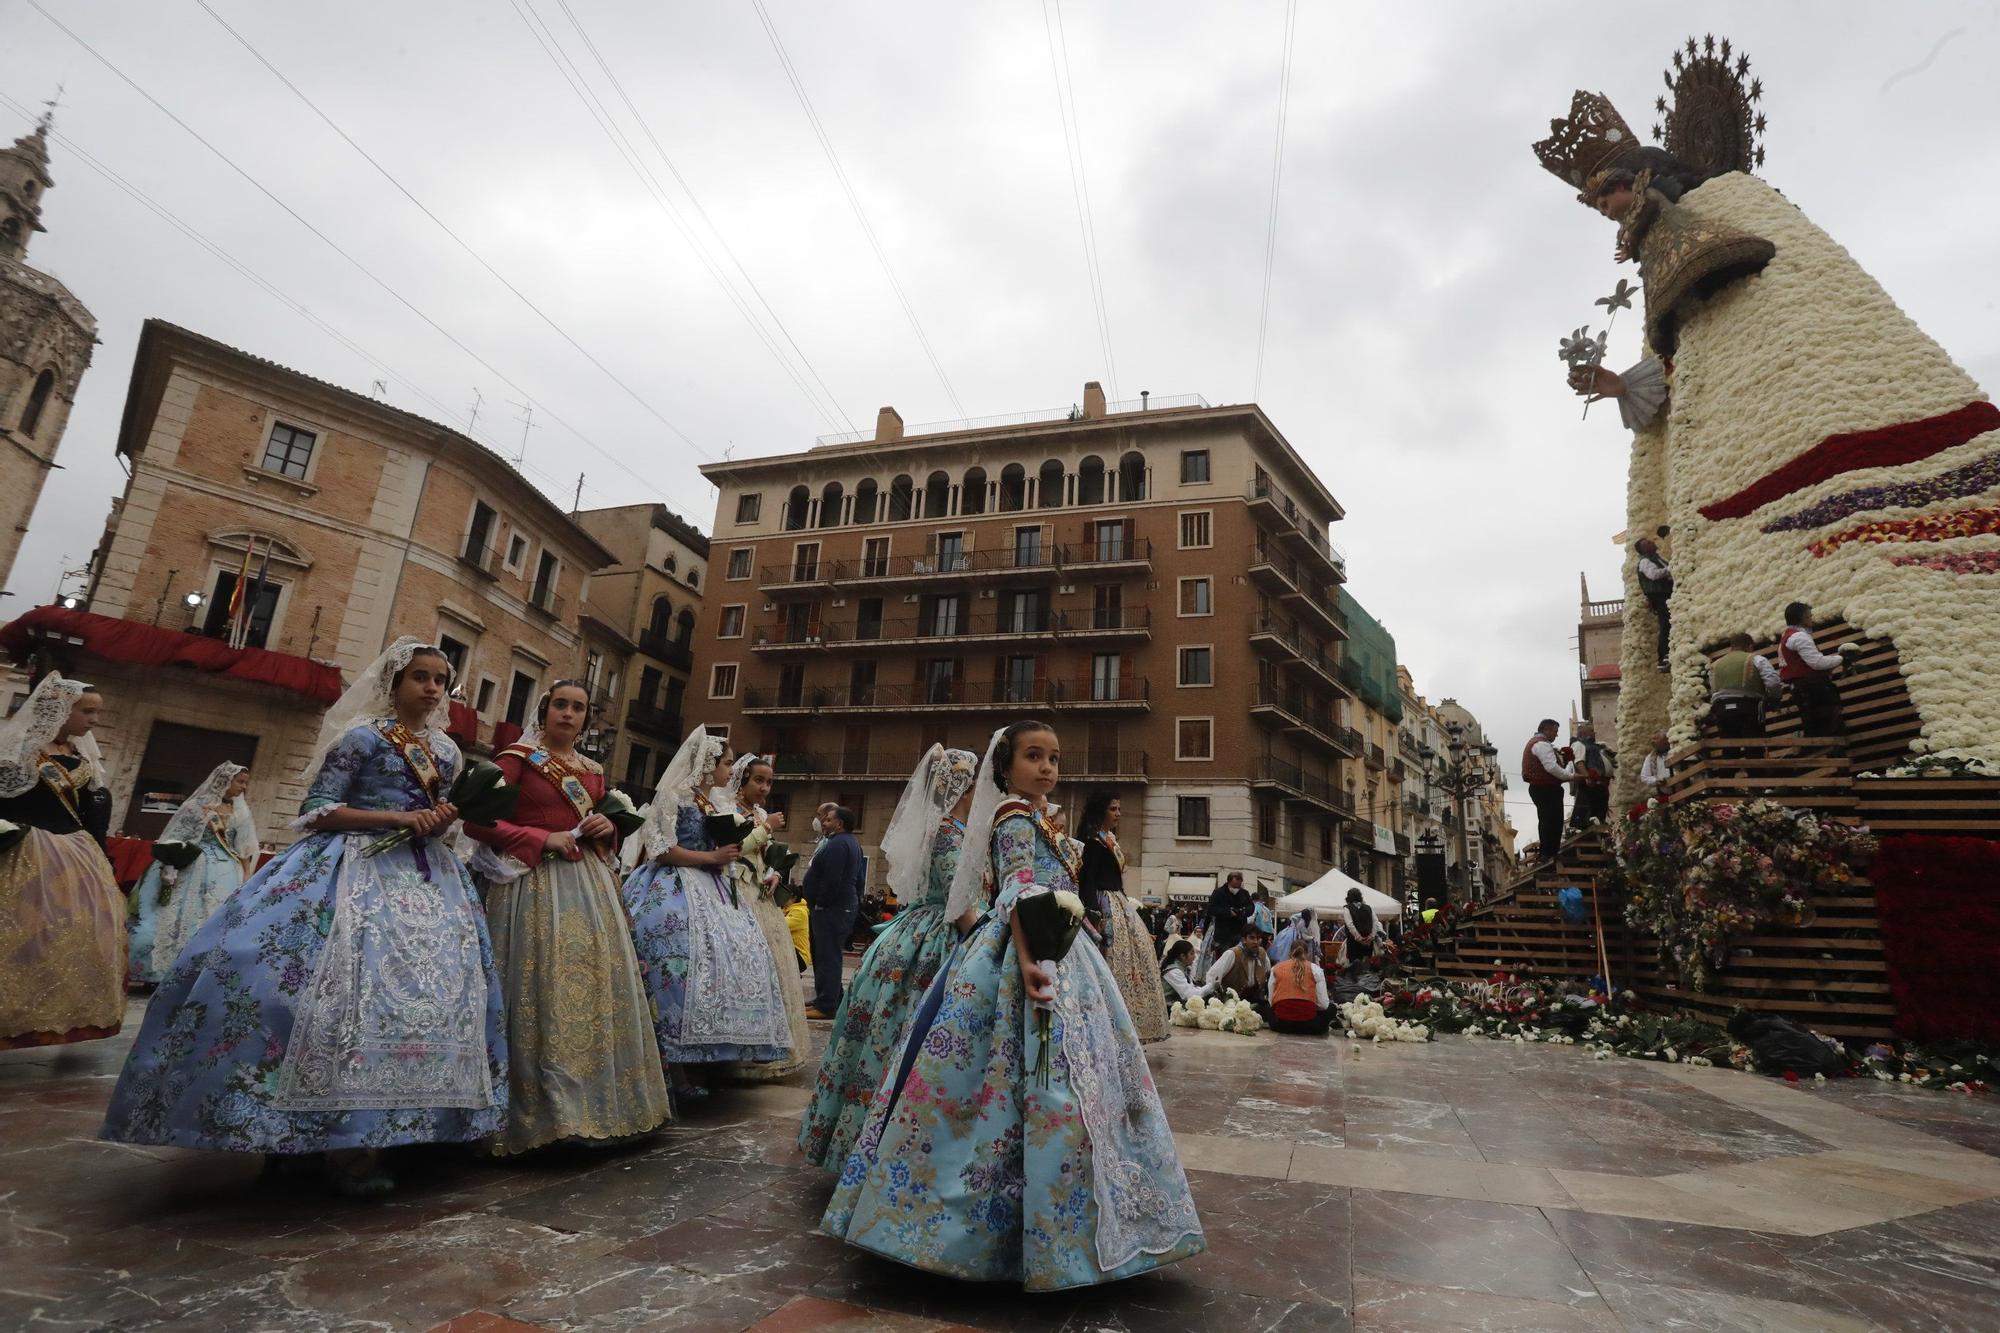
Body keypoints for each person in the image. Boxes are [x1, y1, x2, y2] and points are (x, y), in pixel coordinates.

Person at [100, 640, 506, 1196]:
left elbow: (446, 819)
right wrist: (396, 815)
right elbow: (317, 809)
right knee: (307, 992)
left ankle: (384, 1132)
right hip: (350, 868)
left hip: (427, 882)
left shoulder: (449, 751)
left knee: (425, 1000)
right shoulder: (361, 738)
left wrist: (438, 823)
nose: (432, 688)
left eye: (441, 679)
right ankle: (295, 1135)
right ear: (394, 682)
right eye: (420, 677)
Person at [822, 720, 1204, 1288]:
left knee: (1064, 1079)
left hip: (1063, 952)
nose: (1048, 767)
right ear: (1005, 768)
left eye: (1054, 757)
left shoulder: (1042, 820)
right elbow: (1019, 889)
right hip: (1021, 951)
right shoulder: (1012, 816)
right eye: (1033, 756)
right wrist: (1030, 961)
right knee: (1016, 1077)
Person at [461, 682, 670, 1155]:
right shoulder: (517, 758)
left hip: (589, 886)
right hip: (528, 886)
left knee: (589, 986)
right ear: (545, 710)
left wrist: (607, 827)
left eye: (578, 708)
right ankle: (538, 1115)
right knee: (537, 984)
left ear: (586, 718)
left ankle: (596, 1109)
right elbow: (476, 821)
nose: (569, 714)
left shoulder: (593, 771)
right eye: (561, 705)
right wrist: (540, 837)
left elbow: (596, 825)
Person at [799, 745, 978, 1171]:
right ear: (964, 788)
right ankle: (898, 1152)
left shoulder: (942, 829)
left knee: (884, 1034)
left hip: (911, 934)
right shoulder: (950, 833)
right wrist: (989, 940)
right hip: (941, 938)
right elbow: (959, 902)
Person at [622, 726, 791, 1105]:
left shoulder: (709, 801)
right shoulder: (675, 796)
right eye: (728, 763)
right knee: (675, 966)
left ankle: (706, 1059)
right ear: (709, 763)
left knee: (721, 966)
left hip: (712, 888)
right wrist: (711, 858)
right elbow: (661, 849)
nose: (731, 770)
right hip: (673, 886)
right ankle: (674, 1067)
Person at [0, 674, 123, 1049]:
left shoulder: (82, 760)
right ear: (61, 710)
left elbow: (92, 817)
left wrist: (103, 856)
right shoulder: (18, 753)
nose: (93, 720)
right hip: (23, 853)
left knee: (71, 937)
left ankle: (51, 1018)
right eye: (87, 711)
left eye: (95, 712)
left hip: (76, 859)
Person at [714, 753, 809, 1081]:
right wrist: (766, 828)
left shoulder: (759, 812)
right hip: (734, 889)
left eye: (769, 782)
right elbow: (733, 847)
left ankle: (772, 1050)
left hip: (760, 894)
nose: (765, 788)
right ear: (743, 779)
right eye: (759, 780)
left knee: (774, 965)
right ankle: (737, 1055)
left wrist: (775, 873)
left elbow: (766, 855)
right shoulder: (724, 806)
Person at [127, 763, 258, 987]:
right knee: (174, 917)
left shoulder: (240, 810)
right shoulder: (197, 806)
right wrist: (170, 865)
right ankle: (161, 970)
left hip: (227, 870)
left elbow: (244, 846)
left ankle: (201, 975)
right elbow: (177, 836)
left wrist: (246, 875)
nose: (243, 787)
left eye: (245, 783)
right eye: (240, 782)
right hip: (193, 866)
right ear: (224, 780)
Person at [1077, 793, 1169, 1043]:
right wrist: (1094, 913)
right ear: (1101, 812)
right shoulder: (1092, 843)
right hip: (1105, 903)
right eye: (1113, 809)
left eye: (1119, 808)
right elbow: (1088, 880)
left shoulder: (1109, 841)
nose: (1118, 813)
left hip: (1118, 901)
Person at [803, 806, 864, 1019]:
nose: (823, 822)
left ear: (839, 824)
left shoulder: (839, 843)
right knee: (826, 954)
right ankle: (830, 998)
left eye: (828, 820)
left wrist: (821, 902)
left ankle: (826, 1005)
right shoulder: (850, 843)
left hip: (831, 908)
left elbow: (832, 878)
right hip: (839, 906)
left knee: (827, 954)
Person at [1779, 603, 1849, 740]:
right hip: (1813, 688)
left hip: (1802, 688)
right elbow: (1817, 663)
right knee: (1830, 727)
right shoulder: (1799, 637)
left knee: (1814, 727)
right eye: (1809, 616)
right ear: (1803, 618)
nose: (1812, 619)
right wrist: (1841, 658)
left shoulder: (1787, 636)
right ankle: (1834, 757)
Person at [1522, 719, 1583, 865]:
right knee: (1551, 820)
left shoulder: (1537, 743)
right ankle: (1549, 853)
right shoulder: (1541, 744)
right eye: (1555, 731)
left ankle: (1549, 852)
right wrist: (1572, 776)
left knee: (1549, 820)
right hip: (1545, 788)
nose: (1556, 735)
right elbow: (1551, 767)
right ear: (1547, 730)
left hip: (1543, 787)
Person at [1709, 633, 1782, 740]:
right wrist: (1775, 698)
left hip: (1721, 709)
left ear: (1732, 647)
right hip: (1748, 707)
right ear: (1750, 646)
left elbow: (1713, 688)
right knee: (1754, 745)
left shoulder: (1715, 664)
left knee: (1729, 747)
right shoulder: (1756, 659)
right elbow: (1773, 682)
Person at [1267, 935, 1336, 1036]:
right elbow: (1323, 1005)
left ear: (1290, 953)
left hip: (1281, 1024)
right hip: (1309, 1026)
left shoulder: (1276, 969)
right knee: (1332, 1008)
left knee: (1266, 1008)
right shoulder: (1316, 970)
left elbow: (1271, 1001)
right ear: (1307, 955)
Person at [1197, 870, 1253, 977]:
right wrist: (1228, 912)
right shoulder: (1218, 893)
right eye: (1234, 886)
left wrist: (1242, 911)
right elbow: (1212, 909)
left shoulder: (1244, 893)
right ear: (1229, 882)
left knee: (1239, 959)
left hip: (1239, 932)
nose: (1236, 889)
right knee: (1224, 961)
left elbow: (1251, 908)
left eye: (1238, 886)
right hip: (1223, 934)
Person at [1635, 536, 1673, 670]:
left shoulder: (1657, 559)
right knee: (1666, 623)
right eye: (1647, 543)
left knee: (1668, 623)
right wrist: (1671, 569)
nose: (1652, 542)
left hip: (1665, 594)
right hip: (1659, 596)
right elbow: (1653, 575)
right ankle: (1664, 655)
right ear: (1643, 549)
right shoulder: (1645, 561)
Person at [1569, 722, 1614, 830]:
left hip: (1600, 785)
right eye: (1592, 731)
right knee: (1590, 815)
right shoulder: (1579, 744)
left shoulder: (1596, 745)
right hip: (1590, 785)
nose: (1595, 733)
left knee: (1600, 813)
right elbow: (1579, 761)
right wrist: (1587, 777)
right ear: (1584, 733)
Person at [1338, 887, 1381, 981]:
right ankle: (1368, 984)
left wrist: (1359, 938)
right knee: (1367, 965)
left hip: (1354, 943)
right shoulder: (1369, 908)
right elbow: (1375, 923)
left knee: (1355, 966)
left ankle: (1356, 986)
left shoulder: (1347, 908)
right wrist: (1371, 937)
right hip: (1368, 942)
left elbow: (1350, 925)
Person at [1160, 938, 1211, 1006]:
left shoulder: (1183, 967)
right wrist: (1211, 986)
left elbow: (1192, 987)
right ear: (1183, 956)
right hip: (1169, 1009)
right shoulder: (1174, 972)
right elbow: (1189, 995)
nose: (1194, 956)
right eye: (1191, 953)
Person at [781, 884, 811, 972]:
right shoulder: (788, 910)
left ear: (794, 897)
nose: (781, 898)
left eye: (784, 895)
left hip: (799, 956)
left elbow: (781, 926)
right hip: (792, 951)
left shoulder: (800, 912)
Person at [1638, 732, 1674, 802]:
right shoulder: (1650, 757)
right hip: (1665, 795)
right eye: (1652, 739)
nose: (1652, 742)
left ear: (1666, 740)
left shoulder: (1675, 751)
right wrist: (1657, 780)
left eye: (1656, 739)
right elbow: (1644, 776)